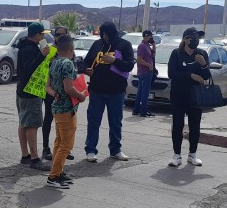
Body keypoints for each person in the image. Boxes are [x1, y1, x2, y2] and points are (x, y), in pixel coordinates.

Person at [82, 21, 134, 162]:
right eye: (102, 34)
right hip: (97, 90)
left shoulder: (125, 45)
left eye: (106, 34)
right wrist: (87, 70)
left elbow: (129, 66)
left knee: (115, 121)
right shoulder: (97, 45)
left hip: (116, 91)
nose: (103, 37)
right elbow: (86, 62)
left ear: (111, 33)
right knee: (93, 120)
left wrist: (114, 60)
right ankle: (91, 150)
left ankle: (116, 150)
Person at [45, 35, 87, 189]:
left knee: (59, 142)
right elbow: (69, 88)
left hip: (57, 107)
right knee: (66, 145)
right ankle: (53, 176)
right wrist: (81, 95)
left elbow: (47, 86)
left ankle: (58, 172)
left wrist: (54, 94)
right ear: (71, 49)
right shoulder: (67, 64)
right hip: (67, 109)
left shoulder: (54, 62)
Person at [167, 27, 212, 167]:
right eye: (194, 38)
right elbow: (171, 73)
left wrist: (204, 65)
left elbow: (206, 76)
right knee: (178, 124)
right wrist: (190, 75)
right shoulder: (176, 53)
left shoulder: (202, 54)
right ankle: (177, 155)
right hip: (178, 94)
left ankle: (192, 155)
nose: (196, 41)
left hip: (196, 96)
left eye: (198, 38)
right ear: (186, 39)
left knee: (195, 125)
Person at [16, 22, 51, 170]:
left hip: (23, 90)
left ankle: (25, 155)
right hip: (31, 91)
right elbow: (30, 69)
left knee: (24, 122)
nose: (44, 36)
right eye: (42, 34)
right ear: (37, 35)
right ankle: (35, 158)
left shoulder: (24, 46)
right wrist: (42, 56)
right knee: (32, 124)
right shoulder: (30, 49)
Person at [42, 26, 74, 162]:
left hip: (66, 94)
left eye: (63, 34)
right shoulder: (49, 50)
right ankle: (46, 148)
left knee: (64, 123)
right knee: (49, 119)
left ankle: (64, 149)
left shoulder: (68, 50)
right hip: (51, 91)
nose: (59, 36)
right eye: (57, 34)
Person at [132, 30, 156, 118]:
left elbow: (153, 55)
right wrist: (148, 65)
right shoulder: (142, 46)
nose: (151, 38)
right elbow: (138, 59)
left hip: (147, 71)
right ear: (146, 36)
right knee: (144, 92)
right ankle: (143, 110)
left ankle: (136, 110)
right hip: (145, 71)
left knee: (141, 91)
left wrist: (153, 45)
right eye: (150, 37)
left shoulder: (147, 46)